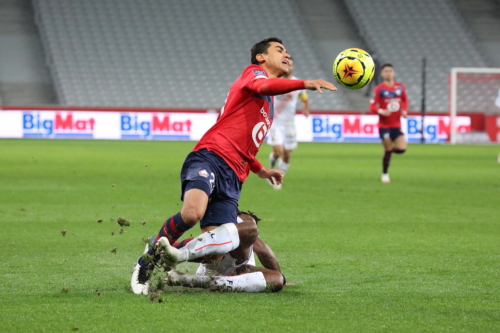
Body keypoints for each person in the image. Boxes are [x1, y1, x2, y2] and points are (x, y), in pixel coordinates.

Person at [131, 37, 337, 294]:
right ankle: (146, 262)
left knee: (216, 254)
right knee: (192, 213)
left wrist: (261, 170)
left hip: (234, 177)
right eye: (279, 50)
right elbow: (264, 86)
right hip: (211, 156)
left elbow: (246, 146)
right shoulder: (253, 75)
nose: (287, 54)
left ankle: (168, 253)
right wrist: (304, 82)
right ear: (261, 57)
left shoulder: (267, 105)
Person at [165, 211, 286, 293]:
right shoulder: (220, 235)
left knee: (277, 279)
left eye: (248, 221)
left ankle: (198, 281)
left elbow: (264, 251)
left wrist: (281, 278)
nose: (246, 223)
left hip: (238, 273)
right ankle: (199, 276)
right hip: (212, 263)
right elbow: (264, 251)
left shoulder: (250, 236)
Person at [267, 57, 309, 190]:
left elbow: (304, 98)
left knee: (287, 154)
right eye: (285, 64)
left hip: (289, 123)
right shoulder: (274, 80)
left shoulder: (298, 83)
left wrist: (305, 109)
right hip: (275, 122)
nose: (288, 67)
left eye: (290, 64)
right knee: (278, 152)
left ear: (293, 67)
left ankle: (279, 177)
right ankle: (272, 170)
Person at [369, 63, 408, 183]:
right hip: (384, 126)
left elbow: (405, 100)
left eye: (390, 71)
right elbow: (372, 105)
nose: (388, 73)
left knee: (402, 148)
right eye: (386, 71)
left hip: (396, 125)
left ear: (394, 73)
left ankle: (388, 153)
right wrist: (381, 110)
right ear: (382, 74)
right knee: (388, 149)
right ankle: (385, 174)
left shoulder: (400, 87)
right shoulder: (379, 89)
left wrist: (404, 110)